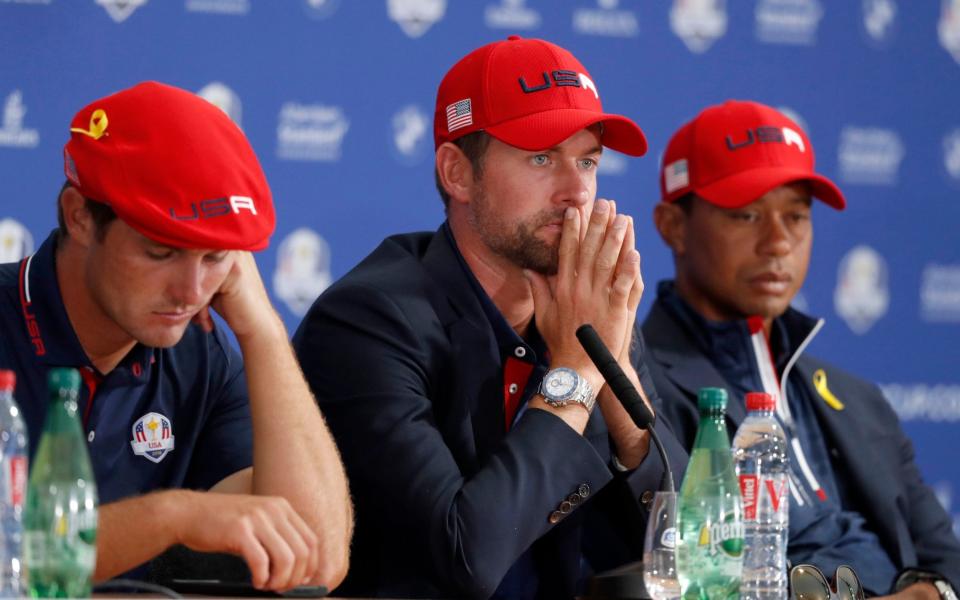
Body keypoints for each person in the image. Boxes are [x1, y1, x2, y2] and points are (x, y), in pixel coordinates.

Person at [293, 36, 687, 599]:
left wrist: (612, 366)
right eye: (542, 158)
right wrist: (576, 372)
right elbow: (463, 559)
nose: (577, 192)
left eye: (589, 161)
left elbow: (688, 549)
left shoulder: (593, 311)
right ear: (456, 172)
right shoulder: (367, 323)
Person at [0, 82, 352, 592]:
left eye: (214, 259)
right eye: (161, 253)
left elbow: (315, 560)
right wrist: (174, 516)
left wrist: (263, 331)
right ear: (79, 216)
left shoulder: (199, 350)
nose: (190, 292)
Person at [644, 100, 960, 597]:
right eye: (746, 216)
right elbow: (681, 575)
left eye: (796, 216)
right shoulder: (633, 386)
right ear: (672, 226)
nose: (778, 242)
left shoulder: (859, 400)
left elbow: (946, 559)